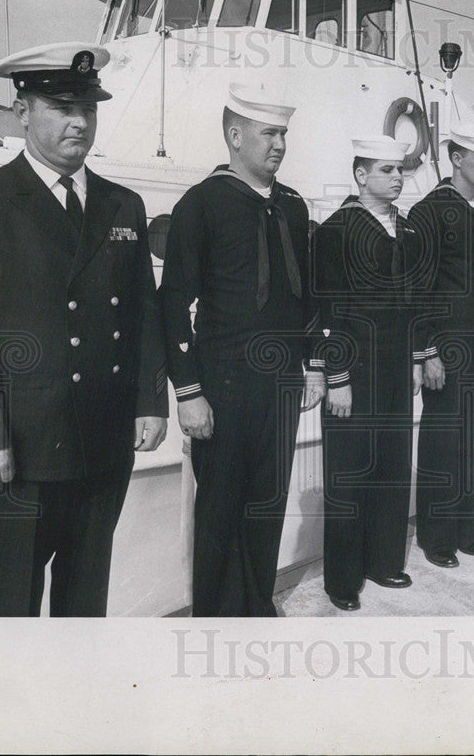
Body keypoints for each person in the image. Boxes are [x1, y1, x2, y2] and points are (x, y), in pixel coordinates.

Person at [0, 42, 168, 617]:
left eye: (87, 109)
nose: (78, 122)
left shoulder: (122, 205)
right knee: (14, 604)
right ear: (23, 107)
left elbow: (142, 313)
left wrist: (150, 401)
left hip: (104, 443)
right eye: (61, 107)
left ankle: (74, 703)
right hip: (19, 449)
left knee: (86, 601)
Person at [159, 83, 325, 617]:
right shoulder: (201, 205)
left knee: (267, 504)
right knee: (219, 510)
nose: (279, 144)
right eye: (268, 133)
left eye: (283, 134)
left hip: (279, 387)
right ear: (235, 136)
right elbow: (171, 305)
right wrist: (188, 392)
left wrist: (313, 365)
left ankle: (257, 607)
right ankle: (215, 619)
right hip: (222, 387)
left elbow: (308, 299)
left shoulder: (294, 207)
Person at [310, 136, 424, 611]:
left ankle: (384, 561)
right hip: (354, 372)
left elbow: (414, 304)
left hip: (396, 371)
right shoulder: (336, 231)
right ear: (361, 175)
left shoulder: (408, 232)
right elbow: (322, 309)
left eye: (400, 171)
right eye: (386, 171)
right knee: (349, 474)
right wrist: (335, 376)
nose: (397, 179)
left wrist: (417, 358)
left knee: (393, 468)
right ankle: (342, 578)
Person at [410, 122, 474, 569]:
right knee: (442, 440)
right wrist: (427, 350)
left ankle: (467, 528)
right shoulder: (428, 212)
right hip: (447, 346)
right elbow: (417, 289)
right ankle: (436, 536)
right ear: (456, 158)